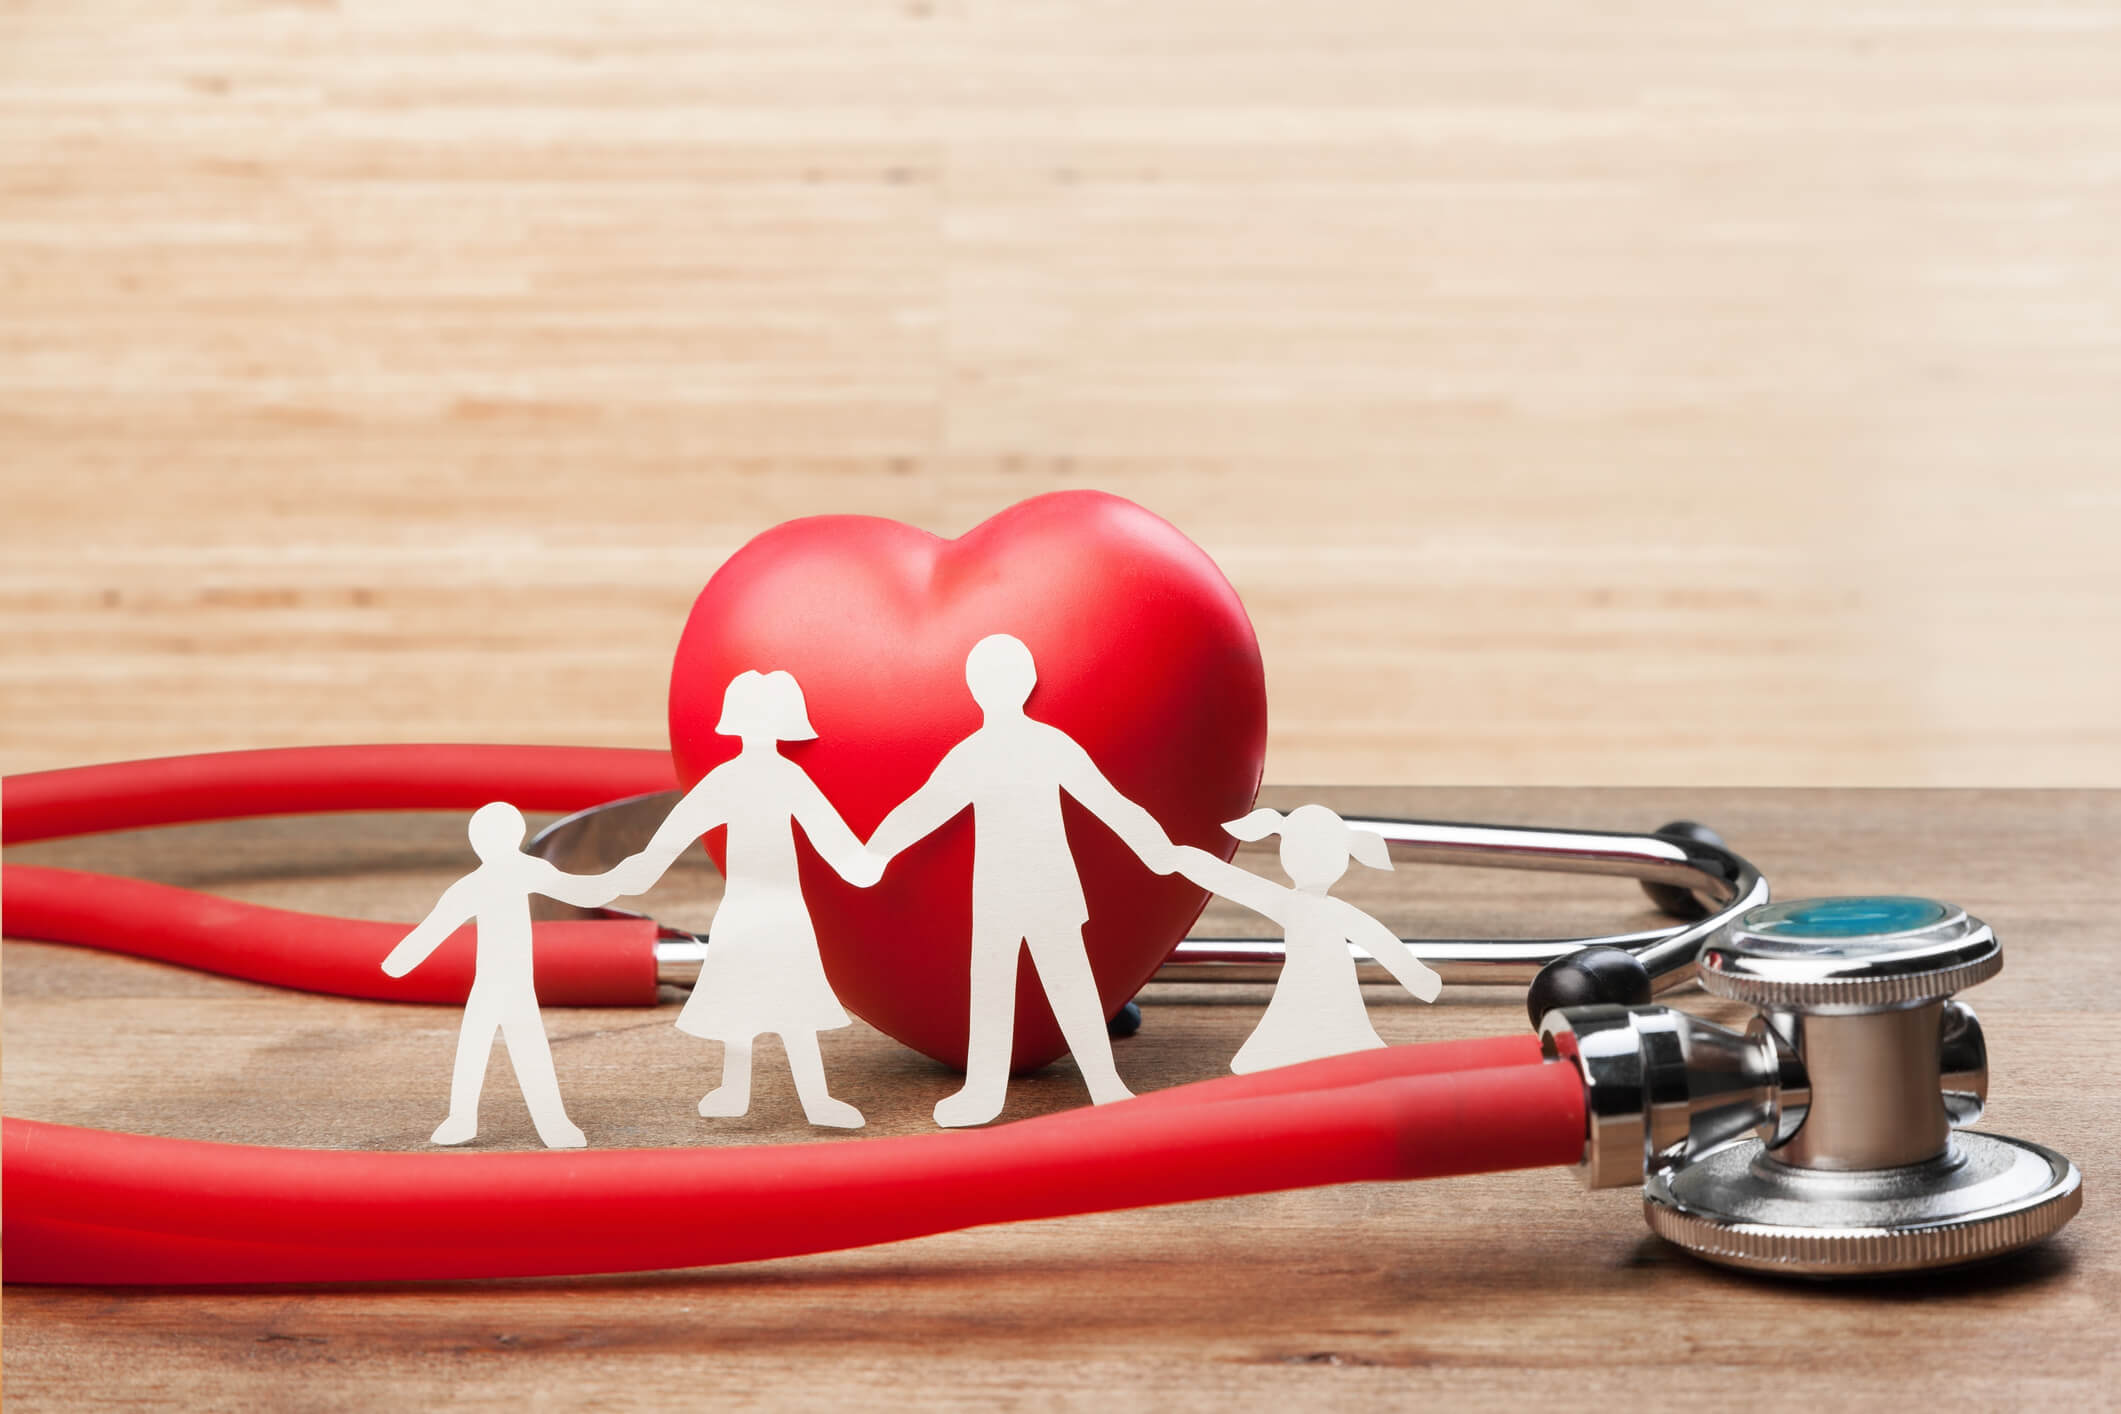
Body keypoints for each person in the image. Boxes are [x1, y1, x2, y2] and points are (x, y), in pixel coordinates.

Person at [865, 633, 1178, 1127]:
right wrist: (877, 852)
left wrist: (1155, 848)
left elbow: (1106, 801)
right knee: (1014, 987)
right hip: (1006, 894)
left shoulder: (1002, 749)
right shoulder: (1026, 747)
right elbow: (923, 808)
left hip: (1035, 890)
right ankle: (1000, 1091)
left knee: (1049, 985)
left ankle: (1097, 1083)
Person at [611, 669, 880, 1128]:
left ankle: (806, 1099)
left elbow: (833, 840)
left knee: (781, 1000)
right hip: (757, 908)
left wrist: (869, 861)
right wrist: (870, 861)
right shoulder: (765, 778)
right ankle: (752, 1092)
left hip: (771, 909)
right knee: (754, 999)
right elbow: (839, 847)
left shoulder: (737, 779)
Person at [382, 801, 638, 1149]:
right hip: (498, 985)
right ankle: (510, 1122)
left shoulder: (491, 879)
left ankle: (530, 1123)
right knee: (497, 1048)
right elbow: (579, 891)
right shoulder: (509, 875)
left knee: (498, 1047)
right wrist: (616, 882)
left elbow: (434, 928)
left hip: (504, 985)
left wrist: (615, 882)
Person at [1171, 804, 1440, 1073]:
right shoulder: (1289, 903)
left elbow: (1379, 940)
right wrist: (1186, 860)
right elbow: (1233, 881)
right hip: (1305, 981)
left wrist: (1417, 976)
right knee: (1295, 1026)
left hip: (1333, 985)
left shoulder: (1321, 908)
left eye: (1323, 851)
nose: (1313, 859)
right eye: (1304, 849)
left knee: (1336, 1030)